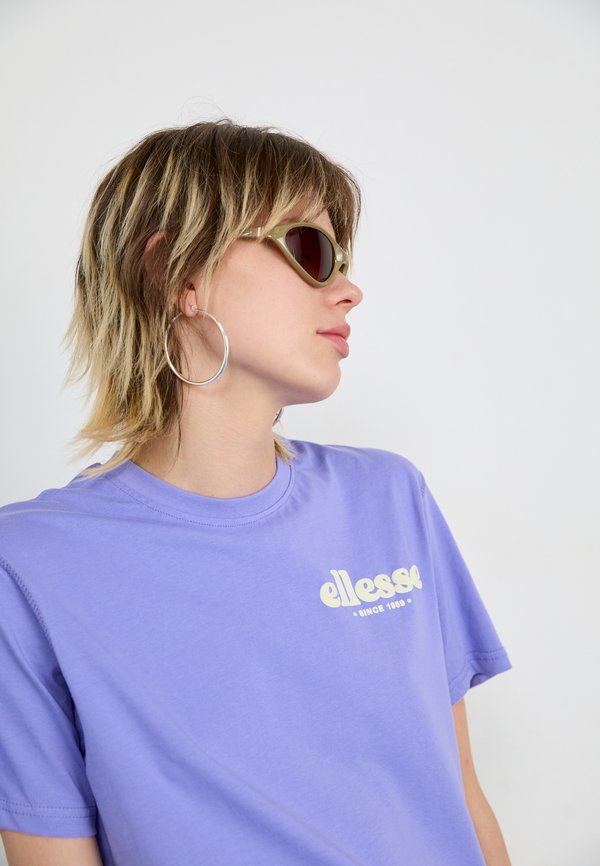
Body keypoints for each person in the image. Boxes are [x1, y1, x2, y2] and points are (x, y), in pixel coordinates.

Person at [0, 118, 513, 866]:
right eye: (311, 250)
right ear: (176, 275)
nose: (349, 290)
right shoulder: (28, 564)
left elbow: (461, 798)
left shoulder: (389, 499)